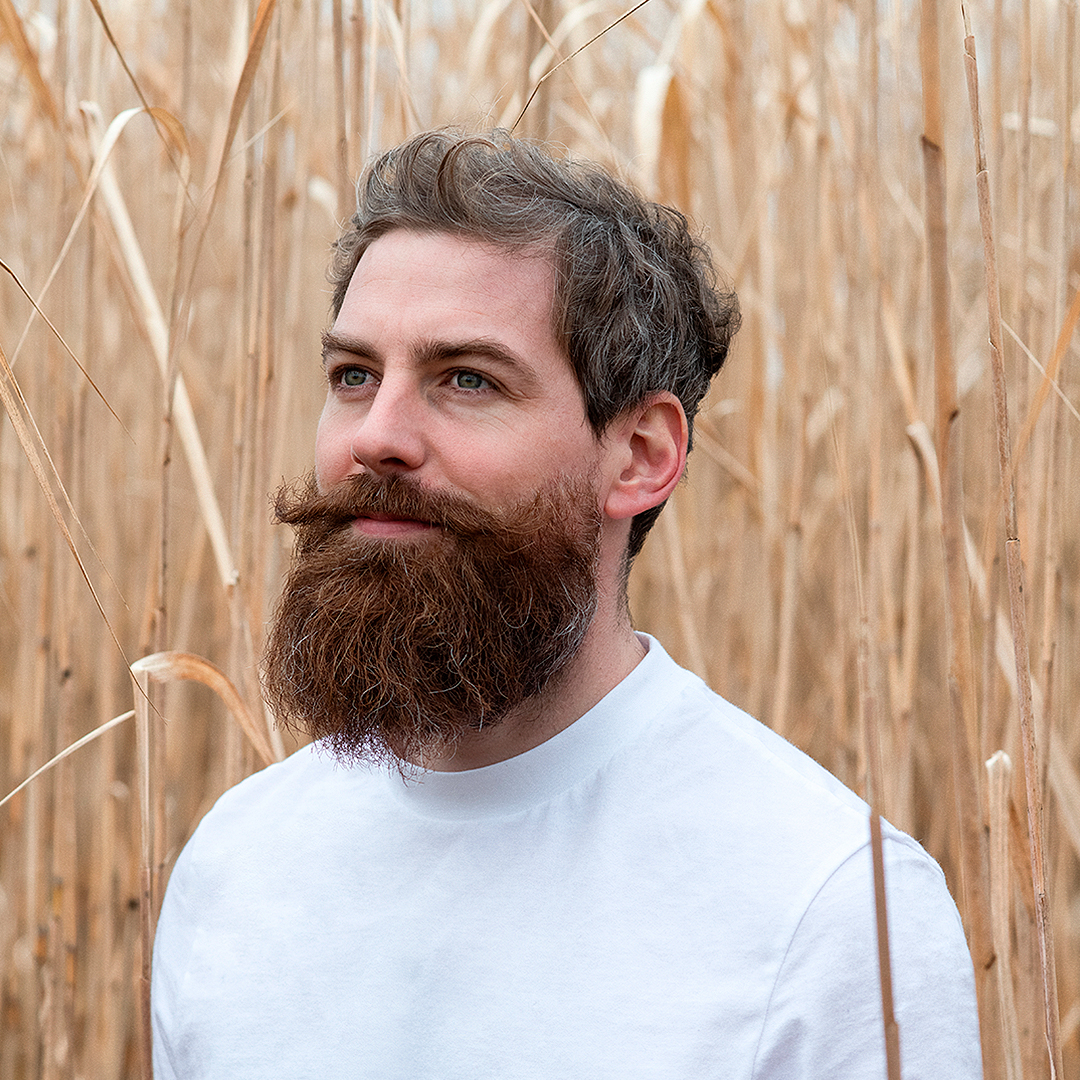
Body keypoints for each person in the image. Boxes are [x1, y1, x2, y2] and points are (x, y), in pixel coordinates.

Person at [151, 129, 982, 1079]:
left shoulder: (831, 912)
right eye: (354, 376)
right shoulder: (237, 869)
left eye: (467, 379)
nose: (376, 436)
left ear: (641, 457)